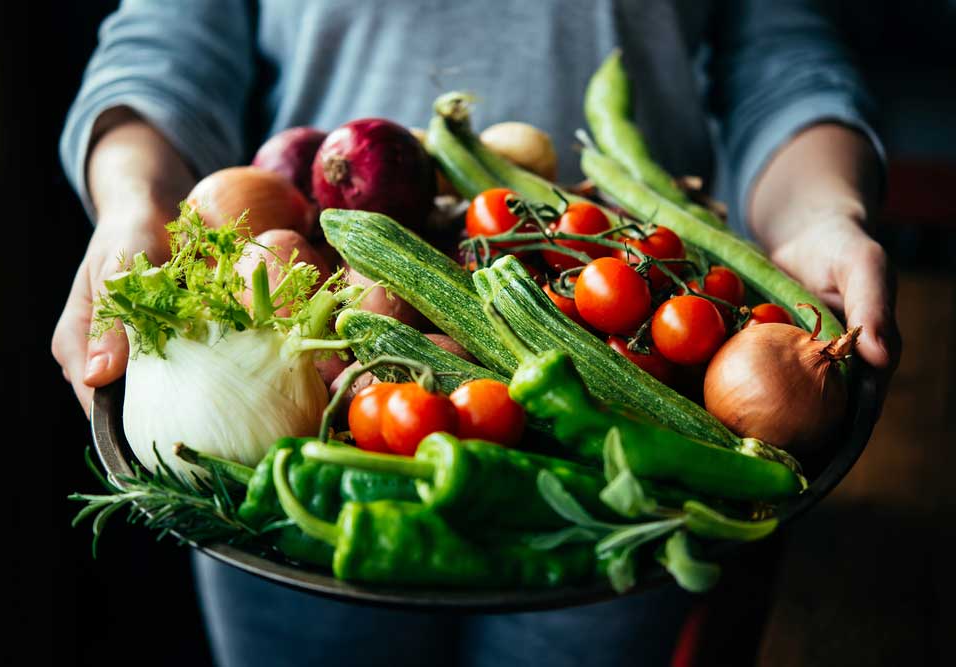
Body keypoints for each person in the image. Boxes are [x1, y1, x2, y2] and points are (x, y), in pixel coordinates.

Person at [52, 1, 901, 665]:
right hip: (295, 400)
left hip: (627, 427)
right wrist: (134, 206)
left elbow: (780, 56)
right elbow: (166, 45)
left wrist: (824, 212)